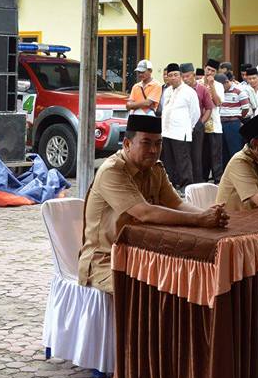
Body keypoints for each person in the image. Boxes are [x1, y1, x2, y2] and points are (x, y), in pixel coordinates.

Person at [78, 115, 230, 293]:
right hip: (103, 261)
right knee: (154, 289)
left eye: (158, 144)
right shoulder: (112, 171)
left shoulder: (155, 169)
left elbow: (177, 204)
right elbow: (144, 212)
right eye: (146, 143)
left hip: (143, 255)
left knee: (188, 278)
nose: (153, 150)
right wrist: (199, 219)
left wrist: (209, 215)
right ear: (127, 144)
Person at [160, 63, 200, 189]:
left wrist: (188, 127)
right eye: (170, 75)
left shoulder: (189, 92)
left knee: (182, 161)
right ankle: (170, 185)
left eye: (175, 75)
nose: (173, 78)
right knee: (168, 161)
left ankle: (186, 185)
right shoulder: (166, 91)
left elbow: (195, 113)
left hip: (180, 132)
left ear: (180, 76)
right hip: (166, 131)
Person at [182, 64, 214, 184]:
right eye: (183, 77)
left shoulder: (202, 89)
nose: (185, 79)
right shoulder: (180, 90)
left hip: (197, 127)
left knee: (196, 155)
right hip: (182, 127)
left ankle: (197, 182)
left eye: (188, 76)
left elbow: (209, 108)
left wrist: (201, 123)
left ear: (194, 75)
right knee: (183, 155)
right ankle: (185, 181)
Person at [219, 73, 249, 169]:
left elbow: (246, 108)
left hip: (233, 123)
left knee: (234, 150)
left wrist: (238, 118)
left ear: (227, 82)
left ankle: (238, 171)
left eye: (221, 86)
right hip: (221, 123)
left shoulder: (239, 91)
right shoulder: (218, 92)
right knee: (223, 151)